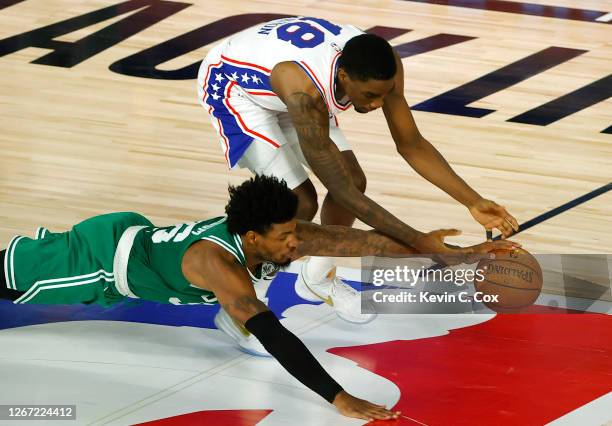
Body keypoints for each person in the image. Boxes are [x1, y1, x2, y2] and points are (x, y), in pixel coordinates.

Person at [0, 175, 517, 421]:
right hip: (93, 263)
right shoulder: (219, 265)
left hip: (130, 241)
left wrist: (450, 254)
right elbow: (274, 334)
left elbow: (367, 242)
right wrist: (338, 397)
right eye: (285, 237)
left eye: (294, 232)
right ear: (251, 238)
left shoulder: (269, 234)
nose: (296, 243)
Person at [197, 16, 520, 324]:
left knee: (354, 178)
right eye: (369, 96)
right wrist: (422, 242)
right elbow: (342, 194)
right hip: (236, 91)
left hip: (287, 84)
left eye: (384, 94)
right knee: (298, 203)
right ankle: (244, 309)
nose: (379, 103)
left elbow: (411, 144)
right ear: (343, 78)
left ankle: (317, 278)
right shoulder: (305, 93)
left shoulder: (384, 64)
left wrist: (471, 200)